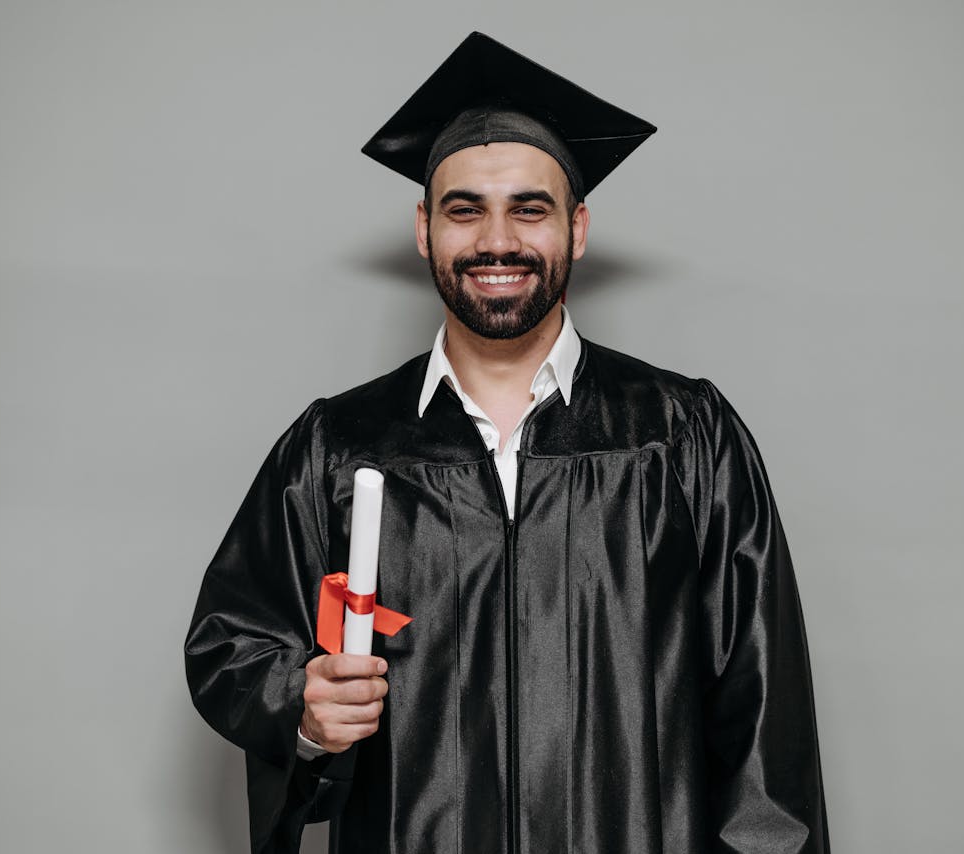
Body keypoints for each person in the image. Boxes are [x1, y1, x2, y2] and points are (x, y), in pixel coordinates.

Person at [186, 32, 829, 854]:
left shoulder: (682, 436)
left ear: (578, 227)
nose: (498, 241)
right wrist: (302, 710)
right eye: (465, 209)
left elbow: (762, 713)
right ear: (424, 229)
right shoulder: (339, 448)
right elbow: (231, 642)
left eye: (530, 207)